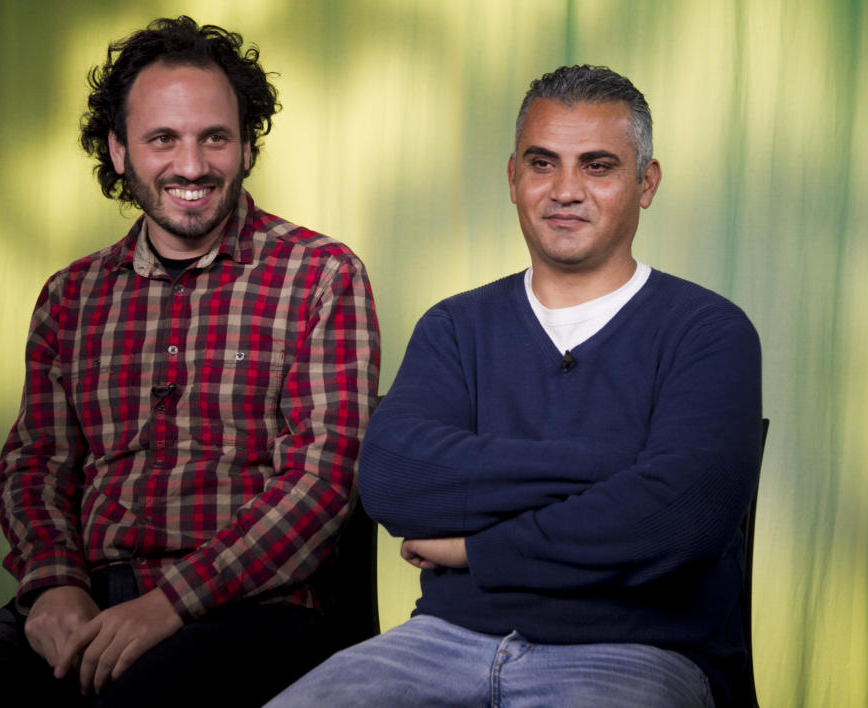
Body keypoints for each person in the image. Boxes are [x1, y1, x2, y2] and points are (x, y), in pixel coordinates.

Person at [0, 15, 379, 707]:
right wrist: (54, 583)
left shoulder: (321, 276)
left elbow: (323, 485)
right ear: (119, 150)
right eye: (163, 138)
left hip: (255, 607)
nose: (192, 165)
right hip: (89, 595)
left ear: (247, 146)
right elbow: (35, 464)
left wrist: (170, 604)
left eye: (214, 136)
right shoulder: (70, 297)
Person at [266, 65, 762, 707]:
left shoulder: (709, 332)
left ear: (646, 183)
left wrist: (476, 549)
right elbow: (392, 478)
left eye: (598, 166)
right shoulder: (455, 327)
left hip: (634, 653)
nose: (565, 190)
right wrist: (619, 469)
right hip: (441, 641)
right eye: (542, 163)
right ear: (512, 178)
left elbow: (679, 518)